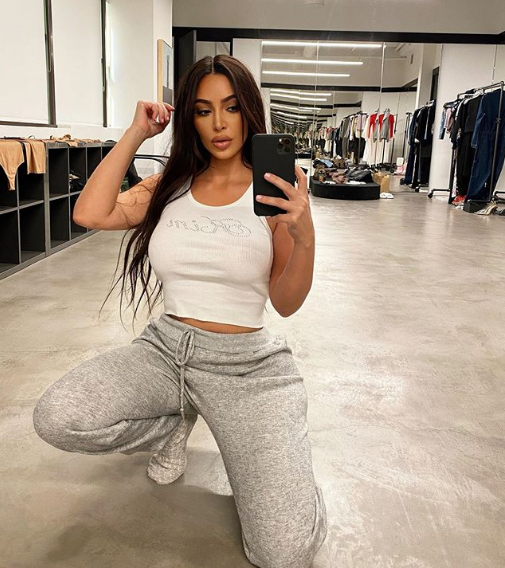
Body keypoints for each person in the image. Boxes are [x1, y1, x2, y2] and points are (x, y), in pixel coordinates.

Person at [32, 55, 327, 568]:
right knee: (58, 418)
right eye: (203, 111)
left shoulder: (277, 185)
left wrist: (304, 237)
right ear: (189, 118)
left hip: (246, 366)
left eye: (231, 108)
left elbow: (285, 301)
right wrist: (135, 133)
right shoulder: (170, 184)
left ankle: (286, 474)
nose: (219, 125)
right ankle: (173, 424)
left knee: (282, 552)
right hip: (166, 352)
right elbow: (90, 212)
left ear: (249, 112)